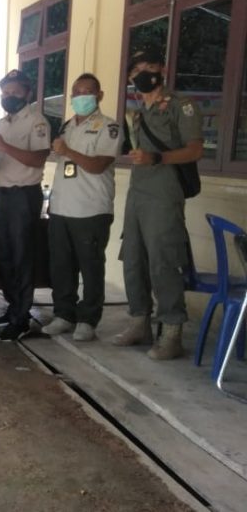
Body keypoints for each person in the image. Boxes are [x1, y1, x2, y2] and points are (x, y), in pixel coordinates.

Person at [113, 47, 203, 360]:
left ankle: (172, 332)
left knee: (163, 262)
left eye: (149, 67)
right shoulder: (138, 113)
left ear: (161, 70)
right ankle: (140, 322)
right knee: (133, 258)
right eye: (136, 71)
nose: (143, 75)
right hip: (138, 193)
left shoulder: (180, 105)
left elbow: (195, 150)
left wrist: (158, 158)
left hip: (165, 194)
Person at [41, 74, 120, 342]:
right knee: (61, 266)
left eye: (87, 91)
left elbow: (99, 165)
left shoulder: (108, 127)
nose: (81, 96)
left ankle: (88, 319)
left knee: (91, 266)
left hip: (91, 209)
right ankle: (64, 314)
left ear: (99, 95)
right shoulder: (67, 127)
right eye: (77, 92)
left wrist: (68, 151)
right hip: (62, 207)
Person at [0, 70, 51, 340]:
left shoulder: (36, 121)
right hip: (3, 197)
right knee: (3, 256)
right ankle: (13, 307)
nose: (9, 97)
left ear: (27, 93)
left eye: (14, 92)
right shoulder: (3, 123)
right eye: (5, 93)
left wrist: (5, 146)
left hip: (24, 196)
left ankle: (22, 317)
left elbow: (38, 159)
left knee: (22, 256)